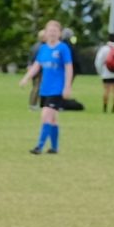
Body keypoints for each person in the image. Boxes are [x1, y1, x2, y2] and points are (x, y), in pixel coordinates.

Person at [20, 20, 74, 154]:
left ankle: (39, 146)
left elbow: (68, 67)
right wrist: (26, 78)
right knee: (52, 119)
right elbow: (37, 65)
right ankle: (54, 148)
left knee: (46, 116)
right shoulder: (43, 49)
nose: (52, 34)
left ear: (59, 33)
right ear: (45, 33)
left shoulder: (63, 48)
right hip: (45, 89)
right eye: (50, 31)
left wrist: (67, 86)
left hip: (57, 89)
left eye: (55, 31)